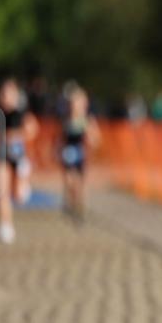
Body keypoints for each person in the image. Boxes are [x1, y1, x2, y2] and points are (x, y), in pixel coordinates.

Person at [0, 78, 39, 244]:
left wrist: (15, 137)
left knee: (19, 197)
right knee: (0, 192)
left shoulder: (21, 113)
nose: (6, 97)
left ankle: (25, 177)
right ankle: (6, 225)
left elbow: (33, 129)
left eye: (9, 93)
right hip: (1, 156)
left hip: (18, 157)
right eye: (3, 93)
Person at [58, 83, 100, 222]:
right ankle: (71, 203)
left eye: (78, 102)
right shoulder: (66, 119)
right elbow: (60, 138)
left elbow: (96, 139)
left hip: (82, 154)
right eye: (73, 103)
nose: (75, 105)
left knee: (81, 184)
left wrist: (90, 136)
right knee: (70, 181)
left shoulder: (88, 120)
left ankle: (80, 209)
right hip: (68, 154)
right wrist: (57, 149)